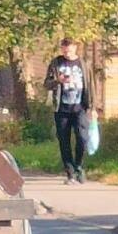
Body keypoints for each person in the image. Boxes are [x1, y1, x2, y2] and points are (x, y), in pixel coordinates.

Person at [43, 37, 93, 183]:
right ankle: (70, 172)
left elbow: (90, 86)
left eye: (70, 49)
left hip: (80, 108)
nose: (67, 52)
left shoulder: (83, 64)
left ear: (75, 48)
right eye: (64, 49)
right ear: (62, 49)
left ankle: (79, 167)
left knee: (82, 138)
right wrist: (58, 80)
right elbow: (46, 84)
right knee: (64, 141)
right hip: (62, 109)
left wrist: (92, 106)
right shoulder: (56, 63)